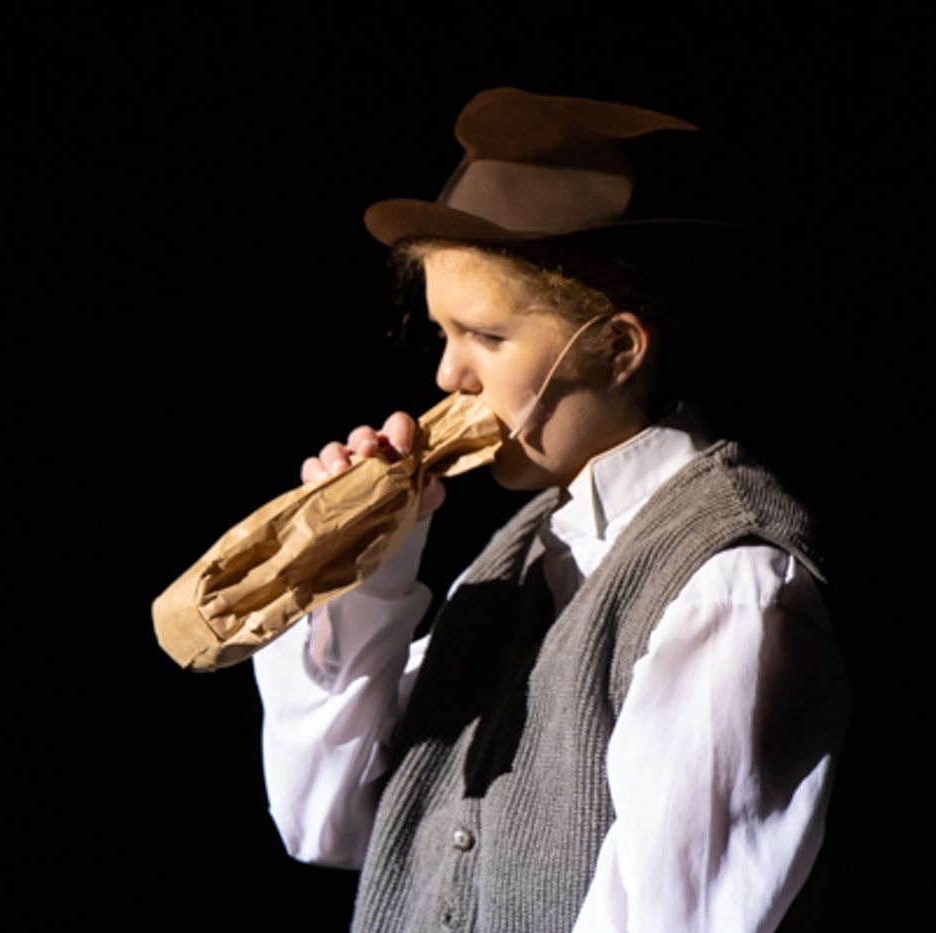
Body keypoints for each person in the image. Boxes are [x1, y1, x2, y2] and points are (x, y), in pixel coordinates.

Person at [250, 88, 851, 932]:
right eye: (442, 334)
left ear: (618, 348)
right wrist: (366, 577)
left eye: (486, 338)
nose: (447, 378)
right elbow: (329, 823)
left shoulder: (731, 586)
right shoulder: (523, 556)